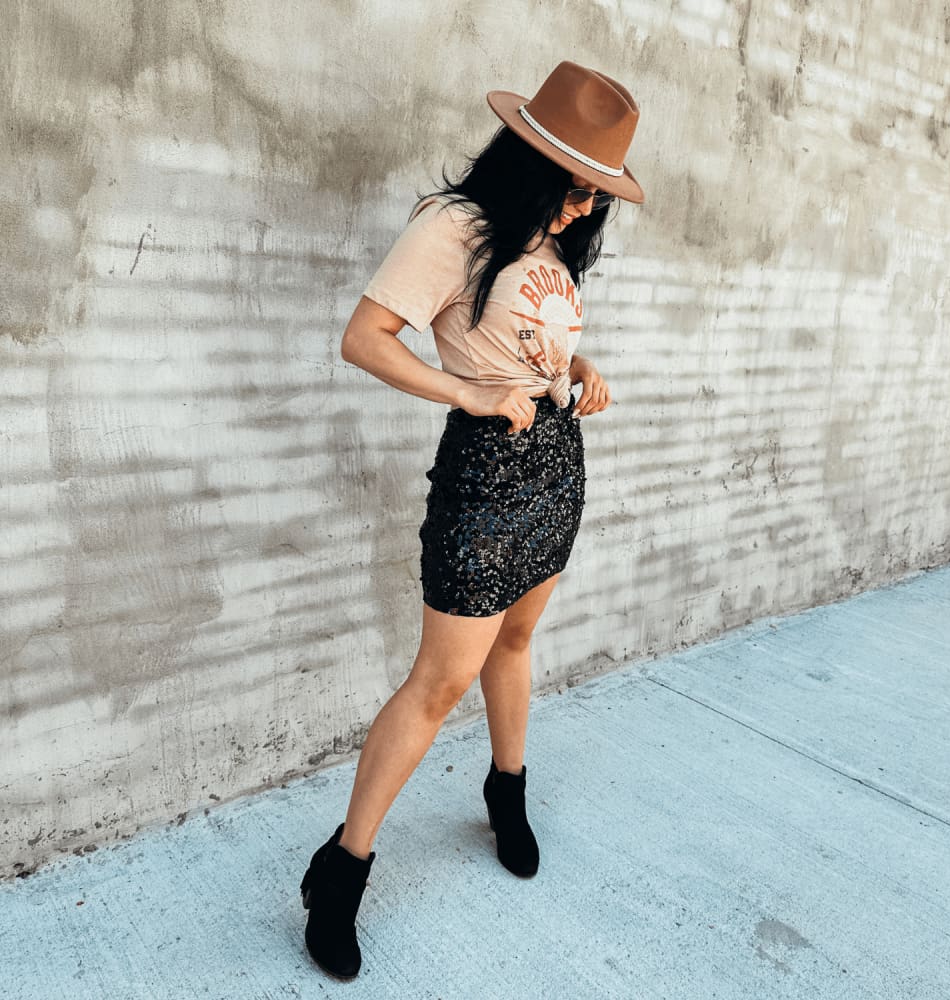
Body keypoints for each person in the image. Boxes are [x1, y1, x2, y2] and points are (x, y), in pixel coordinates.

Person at [299, 60, 644, 980]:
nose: (586, 209)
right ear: (533, 164)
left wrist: (579, 371)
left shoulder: (553, 246)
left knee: (518, 640)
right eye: (577, 189)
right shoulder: (455, 227)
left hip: (557, 467)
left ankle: (506, 791)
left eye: (598, 195)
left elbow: (530, 346)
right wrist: (466, 392)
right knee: (439, 681)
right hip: (486, 476)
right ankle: (341, 870)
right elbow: (365, 338)